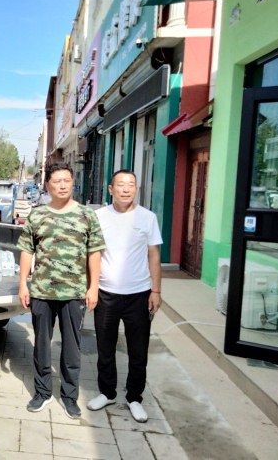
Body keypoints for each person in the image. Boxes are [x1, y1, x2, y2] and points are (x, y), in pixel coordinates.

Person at [17, 162, 105, 419]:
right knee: (41, 346)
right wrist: (23, 283)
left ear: (73, 182)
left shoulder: (86, 215)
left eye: (67, 180)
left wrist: (94, 287)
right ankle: (42, 392)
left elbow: (94, 252)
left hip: (74, 293)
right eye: (57, 181)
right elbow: (26, 250)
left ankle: (69, 396)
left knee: (71, 348)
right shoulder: (37, 215)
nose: (63, 185)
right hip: (42, 292)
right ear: (48, 185)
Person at [88, 170, 162, 423]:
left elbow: (154, 255)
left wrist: (156, 290)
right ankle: (107, 393)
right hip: (106, 294)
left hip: (139, 295)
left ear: (136, 189)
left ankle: (134, 397)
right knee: (105, 347)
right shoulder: (99, 216)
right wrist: (92, 287)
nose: (126, 189)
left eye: (131, 184)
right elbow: (92, 254)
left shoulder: (148, 218)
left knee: (138, 351)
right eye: (121, 184)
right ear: (111, 189)